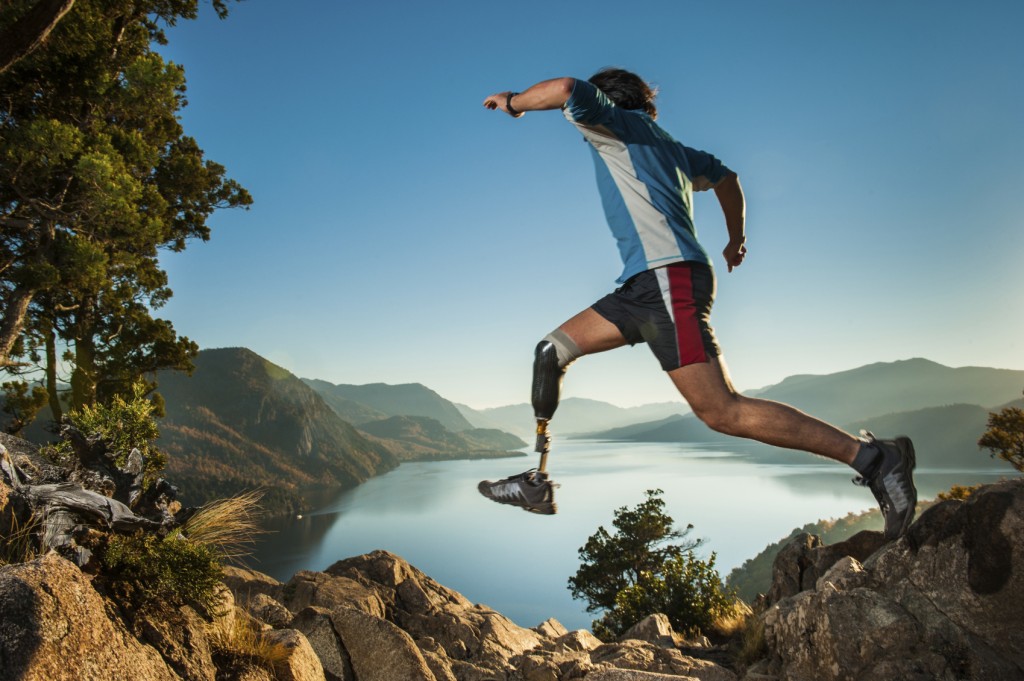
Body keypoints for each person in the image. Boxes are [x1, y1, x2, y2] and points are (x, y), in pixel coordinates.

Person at [477, 69, 917, 540]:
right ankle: (536, 480)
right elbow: (728, 179)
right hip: (645, 285)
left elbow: (564, 89)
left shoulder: (615, 124)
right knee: (552, 350)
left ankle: (874, 458)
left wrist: (515, 101)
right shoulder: (675, 150)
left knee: (721, 410)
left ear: (607, 102)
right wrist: (736, 240)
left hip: (667, 279)